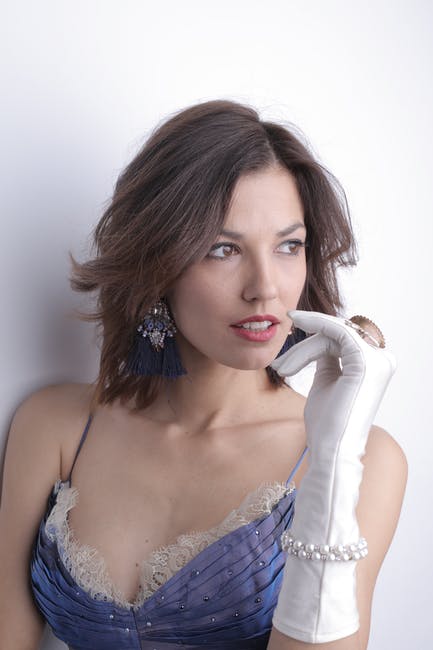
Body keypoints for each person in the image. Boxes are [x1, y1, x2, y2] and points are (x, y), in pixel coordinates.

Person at [0, 99, 407, 650]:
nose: (265, 287)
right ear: (158, 261)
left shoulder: (365, 459)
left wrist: (334, 461)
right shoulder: (57, 426)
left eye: (289, 246)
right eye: (223, 249)